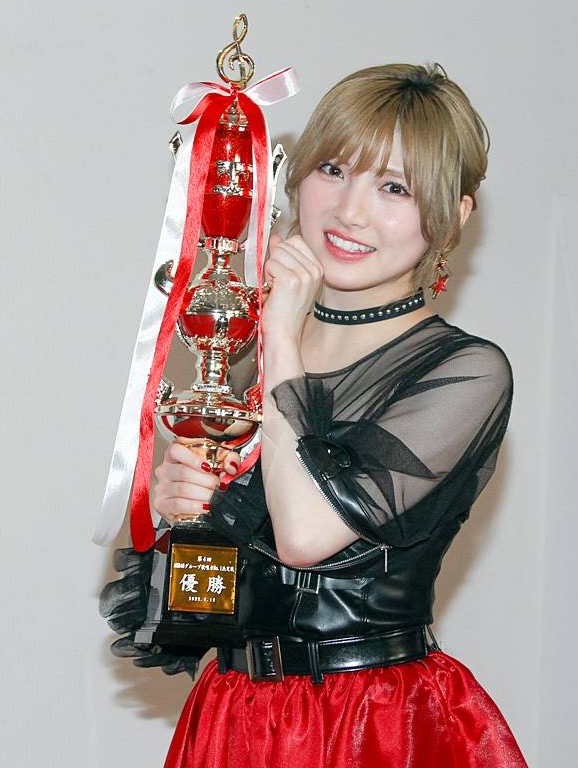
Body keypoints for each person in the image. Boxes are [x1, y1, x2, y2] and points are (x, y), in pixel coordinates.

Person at [117, 63, 526, 767]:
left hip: (371, 726)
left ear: (453, 215)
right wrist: (187, 509)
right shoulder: (243, 354)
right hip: (237, 716)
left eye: (394, 188)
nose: (350, 211)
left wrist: (280, 334)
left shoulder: (466, 371)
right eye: (333, 170)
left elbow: (306, 537)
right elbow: (218, 597)